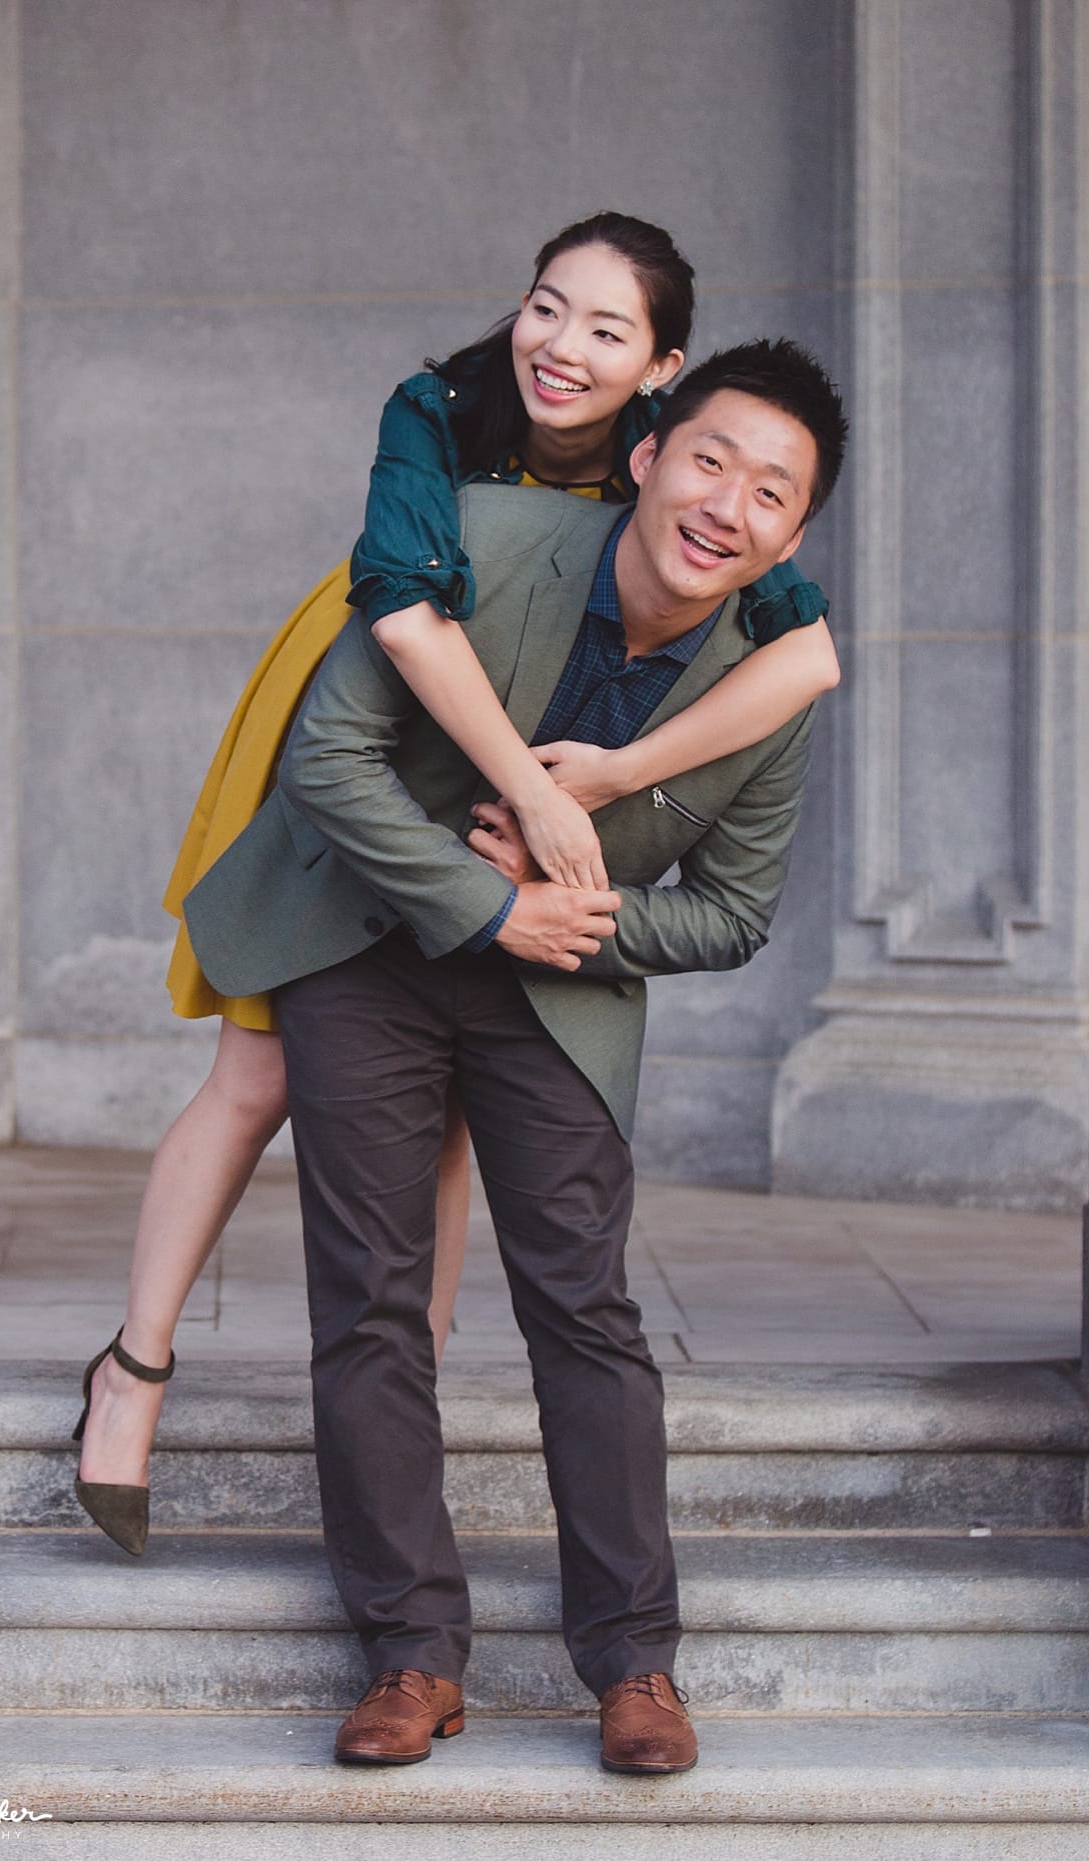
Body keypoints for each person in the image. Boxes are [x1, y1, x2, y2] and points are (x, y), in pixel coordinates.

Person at [72, 216, 839, 1556]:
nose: (563, 346)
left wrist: (610, 777)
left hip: (495, 797)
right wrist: (538, 798)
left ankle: (395, 1421)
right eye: (548, 305)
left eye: (609, 330)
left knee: (440, 1122)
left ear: (663, 370)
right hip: (376, 700)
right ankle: (132, 1369)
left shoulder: (692, 468)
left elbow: (807, 659)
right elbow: (407, 619)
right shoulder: (436, 412)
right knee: (254, 1075)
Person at [182, 337, 849, 1773]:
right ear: (650, 453)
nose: (728, 504)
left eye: (773, 492)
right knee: (370, 1300)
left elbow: (731, 913)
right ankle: (411, 1654)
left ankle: (636, 1662)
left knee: (585, 1310)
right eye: (712, 459)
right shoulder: (482, 539)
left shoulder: (765, 687)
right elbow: (328, 757)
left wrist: (564, 924)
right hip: (372, 948)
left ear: (794, 539)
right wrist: (490, 903)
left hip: (560, 994)